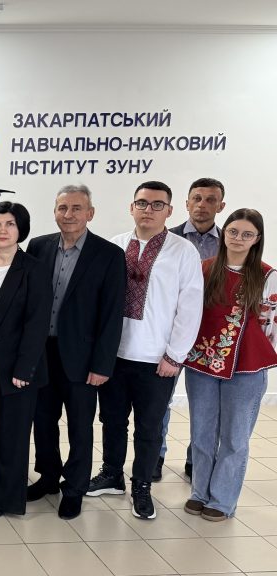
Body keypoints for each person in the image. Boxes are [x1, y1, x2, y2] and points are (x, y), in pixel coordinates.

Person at [88, 181, 203, 521]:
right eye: (142, 203)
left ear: (169, 210)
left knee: (149, 427)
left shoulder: (183, 251)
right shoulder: (115, 245)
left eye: (157, 204)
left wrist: (174, 355)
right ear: (131, 207)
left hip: (157, 360)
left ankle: (141, 485)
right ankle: (112, 474)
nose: (148, 210)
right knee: (111, 420)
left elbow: (190, 307)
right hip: (114, 355)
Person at [25, 185, 126, 520]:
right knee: (43, 420)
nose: (68, 215)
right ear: (55, 211)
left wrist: (103, 364)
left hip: (83, 358)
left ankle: (74, 488)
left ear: (90, 213)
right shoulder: (38, 246)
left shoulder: (109, 255)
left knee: (80, 427)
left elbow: (112, 315)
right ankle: (48, 477)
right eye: (62, 208)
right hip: (42, 353)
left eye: (76, 208)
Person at [183, 208, 276, 522]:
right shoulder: (204, 269)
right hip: (202, 363)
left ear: (257, 239)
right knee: (202, 432)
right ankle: (199, 492)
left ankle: (222, 500)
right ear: (224, 234)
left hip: (246, 368)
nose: (238, 238)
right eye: (233, 231)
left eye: (247, 234)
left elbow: (272, 327)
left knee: (235, 437)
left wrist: (258, 355)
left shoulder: (267, 276)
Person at [0, 201, 52, 519]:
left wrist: (24, 368)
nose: (2, 230)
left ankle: (6, 499)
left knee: (12, 436)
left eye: (10, 224)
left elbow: (37, 323)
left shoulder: (33, 268)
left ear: (21, 229)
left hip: (16, 369)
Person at [158, 177, 227, 480]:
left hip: (209, 337)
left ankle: (195, 460)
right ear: (186, 204)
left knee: (204, 406)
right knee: (160, 401)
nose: (202, 205)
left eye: (210, 200)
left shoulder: (229, 243)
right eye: (197, 198)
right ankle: (155, 456)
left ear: (221, 206)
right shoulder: (165, 239)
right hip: (169, 333)